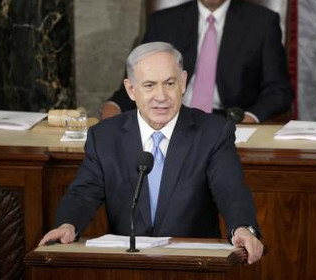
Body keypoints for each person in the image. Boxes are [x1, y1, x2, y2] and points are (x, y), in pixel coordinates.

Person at [39, 42, 264, 264]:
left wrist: (243, 227)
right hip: (128, 266)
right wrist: (67, 224)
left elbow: (230, 189)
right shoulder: (105, 136)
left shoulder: (213, 133)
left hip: (192, 265)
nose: (161, 96)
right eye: (149, 85)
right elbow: (84, 192)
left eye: (169, 83)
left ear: (183, 82)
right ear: (130, 89)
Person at [101, 0, 292, 123]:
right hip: (169, 120)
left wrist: (250, 118)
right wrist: (114, 106)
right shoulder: (164, 22)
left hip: (229, 125)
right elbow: (137, 80)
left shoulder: (262, 23)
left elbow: (278, 90)